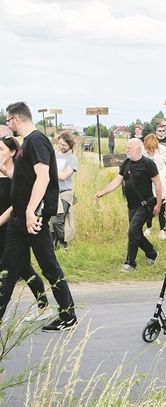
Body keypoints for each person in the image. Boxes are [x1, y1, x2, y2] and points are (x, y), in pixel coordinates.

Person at [2, 102, 77, 331]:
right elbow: (26, 179)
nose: (8, 125)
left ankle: (68, 315)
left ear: (16, 119)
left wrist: (30, 210)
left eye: (7, 121)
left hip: (33, 217)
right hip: (20, 219)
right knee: (8, 266)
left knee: (48, 266)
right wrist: (8, 171)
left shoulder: (36, 140)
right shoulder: (27, 144)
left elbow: (43, 178)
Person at [0, 127, 52, 322]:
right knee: (18, 268)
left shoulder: (16, 174)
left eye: (0, 149)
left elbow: (16, 205)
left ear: (12, 152)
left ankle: (43, 306)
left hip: (11, 227)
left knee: (22, 268)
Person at [96, 138, 162, 271]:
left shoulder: (148, 164)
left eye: (129, 148)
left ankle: (130, 263)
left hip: (145, 204)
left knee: (132, 230)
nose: (126, 150)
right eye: (126, 148)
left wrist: (158, 204)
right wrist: (103, 192)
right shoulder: (126, 163)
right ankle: (152, 253)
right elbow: (118, 180)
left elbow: (158, 184)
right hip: (131, 206)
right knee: (136, 232)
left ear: (138, 149)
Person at [50, 131, 78, 249]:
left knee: (58, 220)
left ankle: (63, 243)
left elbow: (63, 176)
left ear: (70, 145)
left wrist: (50, 169)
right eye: (60, 144)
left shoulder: (73, 159)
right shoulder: (54, 154)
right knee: (50, 221)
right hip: (52, 191)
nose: (61, 147)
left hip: (65, 193)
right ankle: (54, 246)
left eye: (64, 145)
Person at [142, 133, 166, 240]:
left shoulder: (164, 152)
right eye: (148, 149)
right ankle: (149, 227)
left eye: (152, 148)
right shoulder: (144, 152)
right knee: (148, 208)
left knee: (161, 209)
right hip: (148, 183)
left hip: (161, 182)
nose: (150, 151)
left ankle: (162, 230)